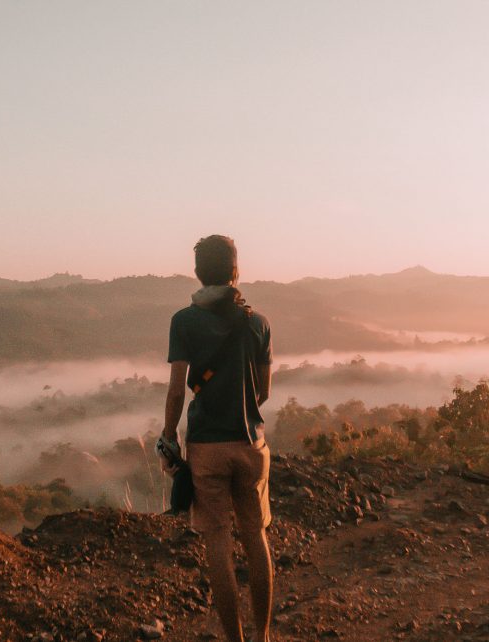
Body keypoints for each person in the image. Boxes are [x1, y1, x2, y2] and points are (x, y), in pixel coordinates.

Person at [156, 235, 274, 642]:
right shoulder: (258, 322)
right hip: (251, 444)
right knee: (255, 537)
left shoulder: (184, 321)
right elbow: (263, 392)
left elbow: (176, 391)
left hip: (206, 449)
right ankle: (264, 637)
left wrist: (168, 437)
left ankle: (235, 639)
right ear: (235, 270)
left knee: (218, 544)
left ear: (198, 273)